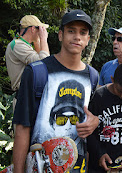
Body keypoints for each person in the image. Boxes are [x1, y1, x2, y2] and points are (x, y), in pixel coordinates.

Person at [12, 9, 100, 173]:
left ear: (88, 39)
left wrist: (95, 121)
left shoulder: (93, 76)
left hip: (77, 166)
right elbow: (22, 127)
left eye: (83, 32)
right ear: (60, 35)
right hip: (39, 166)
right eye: (71, 31)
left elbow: (94, 119)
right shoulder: (37, 72)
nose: (77, 37)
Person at [5, 15, 50, 110]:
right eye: (39, 29)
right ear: (33, 29)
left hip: (30, 97)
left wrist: (37, 41)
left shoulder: (24, 45)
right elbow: (45, 63)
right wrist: (43, 39)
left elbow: (40, 60)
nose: (41, 32)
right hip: (25, 98)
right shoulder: (17, 45)